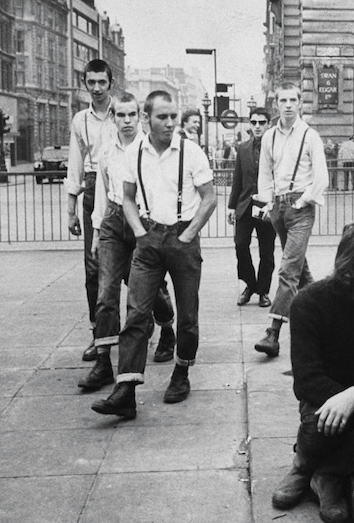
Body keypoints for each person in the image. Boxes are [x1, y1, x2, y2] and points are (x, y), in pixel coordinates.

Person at [91, 90, 217, 418]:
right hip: (148, 239)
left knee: (188, 316)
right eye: (162, 117)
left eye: (173, 116)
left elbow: (209, 198)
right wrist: (139, 232)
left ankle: (181, 372)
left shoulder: (191, 152)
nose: (170, 123)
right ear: (147, 118)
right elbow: (127, 197)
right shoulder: (134, 154)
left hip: (182, 237)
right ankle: (126, 390)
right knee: (135, 314)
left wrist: (189, 234)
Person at [271, 219, 354, 523]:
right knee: (324, 420)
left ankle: (327, 474)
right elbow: (306, 381)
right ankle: (304, 466)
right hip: (324, 400)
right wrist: (349, 401)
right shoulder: (309, 302)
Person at [78, 93, 176, 392]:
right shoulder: (106, 152)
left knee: (144, 291)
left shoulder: (150, 150)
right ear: (113, 118)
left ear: (140, 117)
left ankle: (167, 328)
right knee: (106, 291)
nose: (127, 121)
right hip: (113, 222)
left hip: (141, 224)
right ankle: (104, 362)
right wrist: (96, 233)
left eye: (132, 114)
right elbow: (103, 197)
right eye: (120, 115)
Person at [254, 82, 328, 357]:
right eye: (282, 100)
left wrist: (303, 200)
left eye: (292, 100)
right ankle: (325, 316)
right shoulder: (269, 137)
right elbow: (264, 175)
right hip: (278, 209)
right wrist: (266, 205)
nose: (287, 105)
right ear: (276, 104)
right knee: (299, 270)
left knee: (288, 269)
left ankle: (272, 333)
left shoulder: (310, 136)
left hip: (301, 208)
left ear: (300, 103)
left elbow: (321, 177)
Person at [65, 59, 116, 363]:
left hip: (122, 189)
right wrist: (71, 209)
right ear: (85, 83)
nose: (96, 88)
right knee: (93, 267)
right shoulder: (80, 120)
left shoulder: (122, 112)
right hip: (93, 185)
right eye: (91, 82)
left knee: (134, 265)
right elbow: (74, 164)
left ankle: (154, 321)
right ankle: (98, 334)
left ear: (111, 83)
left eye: (102, 82)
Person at [227, 107, 276, 308]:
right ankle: (250, 284)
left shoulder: (275, 148)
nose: (257, 126)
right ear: (250, 124)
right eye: (254, 122)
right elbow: (237, 179)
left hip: (266, 206)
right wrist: (231, 207)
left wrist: (275, 203)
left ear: (268, 124)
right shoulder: (243, 148)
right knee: (240, 245)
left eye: (261, 123)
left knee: (267, 251)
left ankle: (263, 291)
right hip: (245, 206)